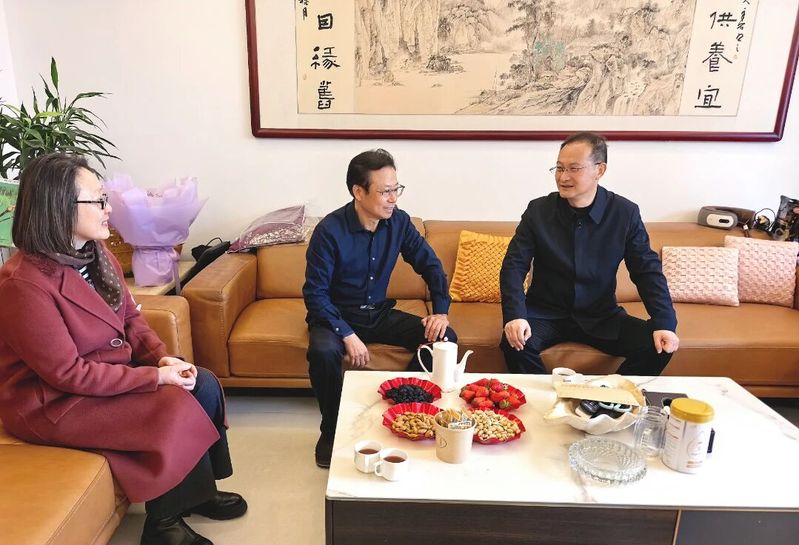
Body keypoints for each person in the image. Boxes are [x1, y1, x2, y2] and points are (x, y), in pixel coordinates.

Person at [0, 153, 246, 545]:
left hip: (100, 377)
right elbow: (67, 374)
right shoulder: (23, 285)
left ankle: (199, 492)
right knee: (172, 404)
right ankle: (163, 525)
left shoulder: (97, 255)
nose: (109, 208)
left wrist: (162, 358)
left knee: (203, 384)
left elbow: (131, 319)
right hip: (50, 401)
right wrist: (154, 378)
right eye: (98, 200)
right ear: (58, 206)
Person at [304, 148, 456, 468]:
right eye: (385, 191)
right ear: (358, 192)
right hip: (335, 315)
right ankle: (331, 429)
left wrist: (440, 311)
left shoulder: (398, 222)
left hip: (378, 312)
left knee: (445, 339)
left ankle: (401, 405)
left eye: (396, 189)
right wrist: (346, 334)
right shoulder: (329, 231)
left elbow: (431, 266)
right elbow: (315, 294)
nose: (393, 198)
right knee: (322, 352)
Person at [500, 132, 679, 376]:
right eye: (559, 168)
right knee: (514, 343)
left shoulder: (624, 213)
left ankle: (608, 394)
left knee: (659, 346)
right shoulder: (538, 210)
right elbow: (514, 265)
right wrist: (515, 316)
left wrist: (664, 322)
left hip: (601, 317)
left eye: (574, 168)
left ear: (599, 170)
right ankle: (548, 397)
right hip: (545, 313)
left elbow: (646, 272)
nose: (563, 177)